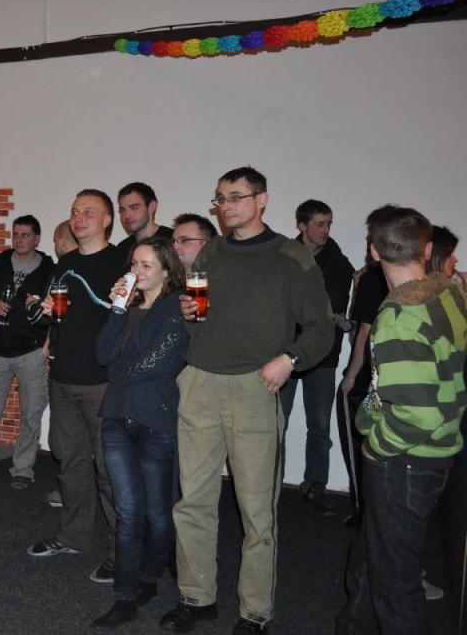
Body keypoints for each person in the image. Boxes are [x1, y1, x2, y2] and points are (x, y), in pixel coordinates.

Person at [162, 166, 333, 634]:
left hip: (256, 386)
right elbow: (199, 317)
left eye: (236, 196)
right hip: (200, 383)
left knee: (256, 511)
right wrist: (189, 311)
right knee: (193, 502)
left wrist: (290, 359)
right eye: (221, 198)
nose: (227, 206)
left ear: (262, 200)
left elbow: (321, 329)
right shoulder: (211, 252)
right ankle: (196, 596)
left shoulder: (290, 256)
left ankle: (255, 611)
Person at [335, 207, 467, 634]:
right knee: (371, 559)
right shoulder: (448, 291)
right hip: (437, 452)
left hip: (406, 461)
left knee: (395, 585)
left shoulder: (400, 316)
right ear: (427, 249)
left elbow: (417, 416)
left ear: (374, 252)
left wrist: (376, 447)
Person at [92, 237, 189, 629]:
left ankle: (149, 576)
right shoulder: (127, 308)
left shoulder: (177, 307)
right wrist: (117, 308)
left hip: (155, 419)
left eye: (147, 265)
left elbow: (156, 363)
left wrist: (117, 371)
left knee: (159, 516)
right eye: (134, 263)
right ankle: (125, 595)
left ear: (167, 270)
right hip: (116, 417)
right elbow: (102, 354)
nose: (137, 271)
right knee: (129, 512)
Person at [27, 189, 120, 586]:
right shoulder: (64, 264)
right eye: (74, 211)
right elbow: (57, 314)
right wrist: (44, 311)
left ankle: (121, 552)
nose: (78, 218)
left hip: (103, 381)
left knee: (110, 471)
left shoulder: (121, 262)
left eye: (88, 212)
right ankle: (73, 536)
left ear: (107, 220)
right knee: (70, 462)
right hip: (63, 377)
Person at [277, 200, 354, 516]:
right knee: (275, 424)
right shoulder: (283, 256)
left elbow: (332, 310)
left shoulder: (339, 263)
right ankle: (270, 485)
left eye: (329, 223)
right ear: (301, 226)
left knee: (319, 425)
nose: (326, 230)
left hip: (323, 355)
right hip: (284, 353)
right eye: (320, 224)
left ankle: (315, 486)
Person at [0, 215, 55, 487]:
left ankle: (23, 469)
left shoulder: (49, 269)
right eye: (16, 234)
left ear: (37, 239)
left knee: (31, 413)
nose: (19, 239)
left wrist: (47, 346)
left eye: (25, 235)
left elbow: (57, 312)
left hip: (31, 351)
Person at [337, 205, 398, 527]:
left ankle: (364, 514)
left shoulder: (374, 278)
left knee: (360, 447)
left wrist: (350, 376)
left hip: (365, 380)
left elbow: (365, 331)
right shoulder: (397, 280)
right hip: (386, 379)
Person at [44, 218, 79, 509]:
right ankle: (70, 487)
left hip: (72, 366)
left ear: (61, 241)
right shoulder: (62, 271)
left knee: (65, 435)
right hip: (63, 360)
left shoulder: (66, 272)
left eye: (56, 240)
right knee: (66, 434)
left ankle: (70, 489)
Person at [116, 182, 174, 263]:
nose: (126, 215)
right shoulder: (123, 248)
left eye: (134, 208)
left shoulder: (173, 240)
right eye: (122, 210)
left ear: (152, 206)